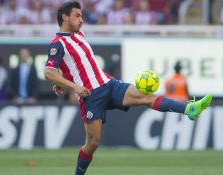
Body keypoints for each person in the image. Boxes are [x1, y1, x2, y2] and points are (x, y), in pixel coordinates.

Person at [43, 2, 212, 175]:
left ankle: (189, 109)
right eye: (77, 15)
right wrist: (73, 86)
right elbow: (49, 72)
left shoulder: (79, 35)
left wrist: (61, 81)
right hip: (90, 95)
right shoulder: (58, 44)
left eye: (81, 15)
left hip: (109, 84)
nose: (81, 20)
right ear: (64, 17)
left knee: (146, 96)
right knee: (93, 143)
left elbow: (70, 65)